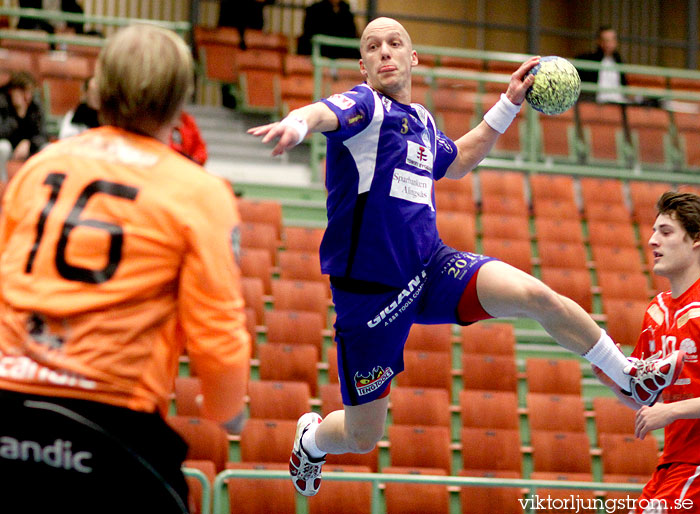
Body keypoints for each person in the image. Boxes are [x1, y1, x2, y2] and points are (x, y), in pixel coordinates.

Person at [249, 16, 684, 497]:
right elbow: (322, 112)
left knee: (535, 294)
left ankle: (627, 376)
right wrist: (297, 122)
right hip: (370, 296)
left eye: (395, 43)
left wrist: (509, 102)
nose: (385, 53)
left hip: (430, 268)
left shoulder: (421, 121)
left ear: (413, 58)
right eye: (373, 47)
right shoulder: (365, 106)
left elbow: (458, 159)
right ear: (363, 65)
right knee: (361, 436)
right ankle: (311, 438)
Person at [0, 24, 250, 513]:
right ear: (182, 102)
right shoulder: (198, 192)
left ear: (98, 86)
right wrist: (227, 411)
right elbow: (217, 327)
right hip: (111, 424)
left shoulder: (39, 166)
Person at [593, 191, 700, 514]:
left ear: (696, 240)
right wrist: (612, 380)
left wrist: (671, 412)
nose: (653, 241)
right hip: (672, 461)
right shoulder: (656, 312)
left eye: (666, 232)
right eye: (653, 231)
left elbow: (662, 410)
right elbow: (645, 397)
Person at [0, 71, 49, 181]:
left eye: (29, 92)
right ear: (11, 91)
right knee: (3, 147)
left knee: (47, 148)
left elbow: (42, 134)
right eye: (23, 92)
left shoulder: (35, 104)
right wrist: (18, 115)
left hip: (28, 149)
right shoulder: (2, 102)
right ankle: (2, 185)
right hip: (8, 147)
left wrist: (29, 143)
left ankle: (41, 183)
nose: (27, 96)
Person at [575, 26, 629, 104]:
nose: (608, 44)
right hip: (598, 101)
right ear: (599, 41)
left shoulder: (619, 61)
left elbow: (624, 85)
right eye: (606, 40)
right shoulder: (590, 60)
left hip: (618, 101)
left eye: (611, 40)